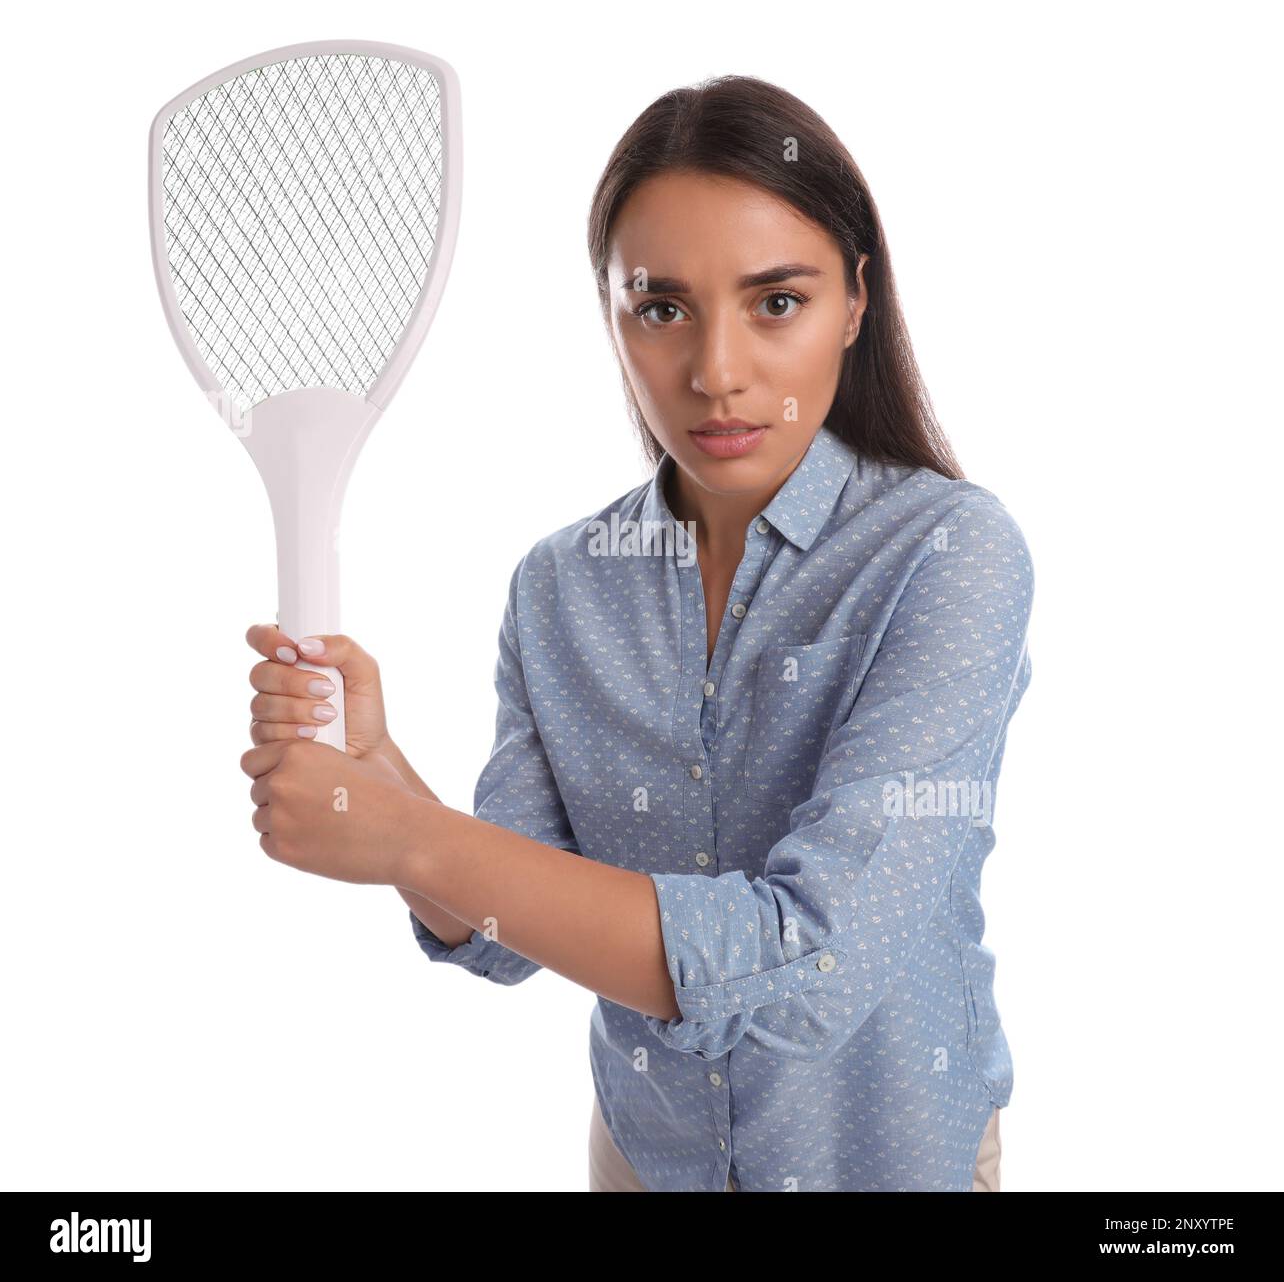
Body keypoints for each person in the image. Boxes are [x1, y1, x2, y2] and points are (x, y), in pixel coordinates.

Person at [242, 75, 1034, 1192]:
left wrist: (407, 839)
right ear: (613, 316)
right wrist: (388, 787)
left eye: (776, 301)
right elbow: (514, 926)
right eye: (662, 307)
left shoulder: (949, 555)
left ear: (855, 301)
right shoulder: (560, 588)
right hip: (647, 1164)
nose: (716, 372)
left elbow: (809, 962)